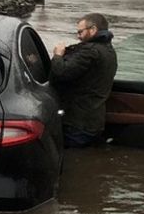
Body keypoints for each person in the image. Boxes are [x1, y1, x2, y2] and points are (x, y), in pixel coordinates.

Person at [50, 13, 118, 148]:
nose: (78, 36)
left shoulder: (90, 52)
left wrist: (58, 55)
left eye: (80, 32)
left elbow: (61, 72)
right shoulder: (109, 50)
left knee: (68, 162)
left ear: (92, 30)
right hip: (94, 120)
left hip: (78, 123)